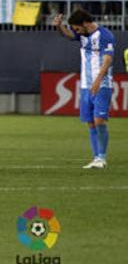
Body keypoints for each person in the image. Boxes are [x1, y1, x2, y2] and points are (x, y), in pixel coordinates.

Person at [53, 10, 113, 169]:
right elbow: (69, 35)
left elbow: (108, 59)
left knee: (99, 120)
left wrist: (98, 80)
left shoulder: (105, 35)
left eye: (77, 28)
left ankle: (102, 157)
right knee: (90, 123)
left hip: (101, 84)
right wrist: (59, 27)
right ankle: (96, 158)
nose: (76, 31)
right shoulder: (83, 34)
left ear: (85, 24)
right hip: (86, 85)